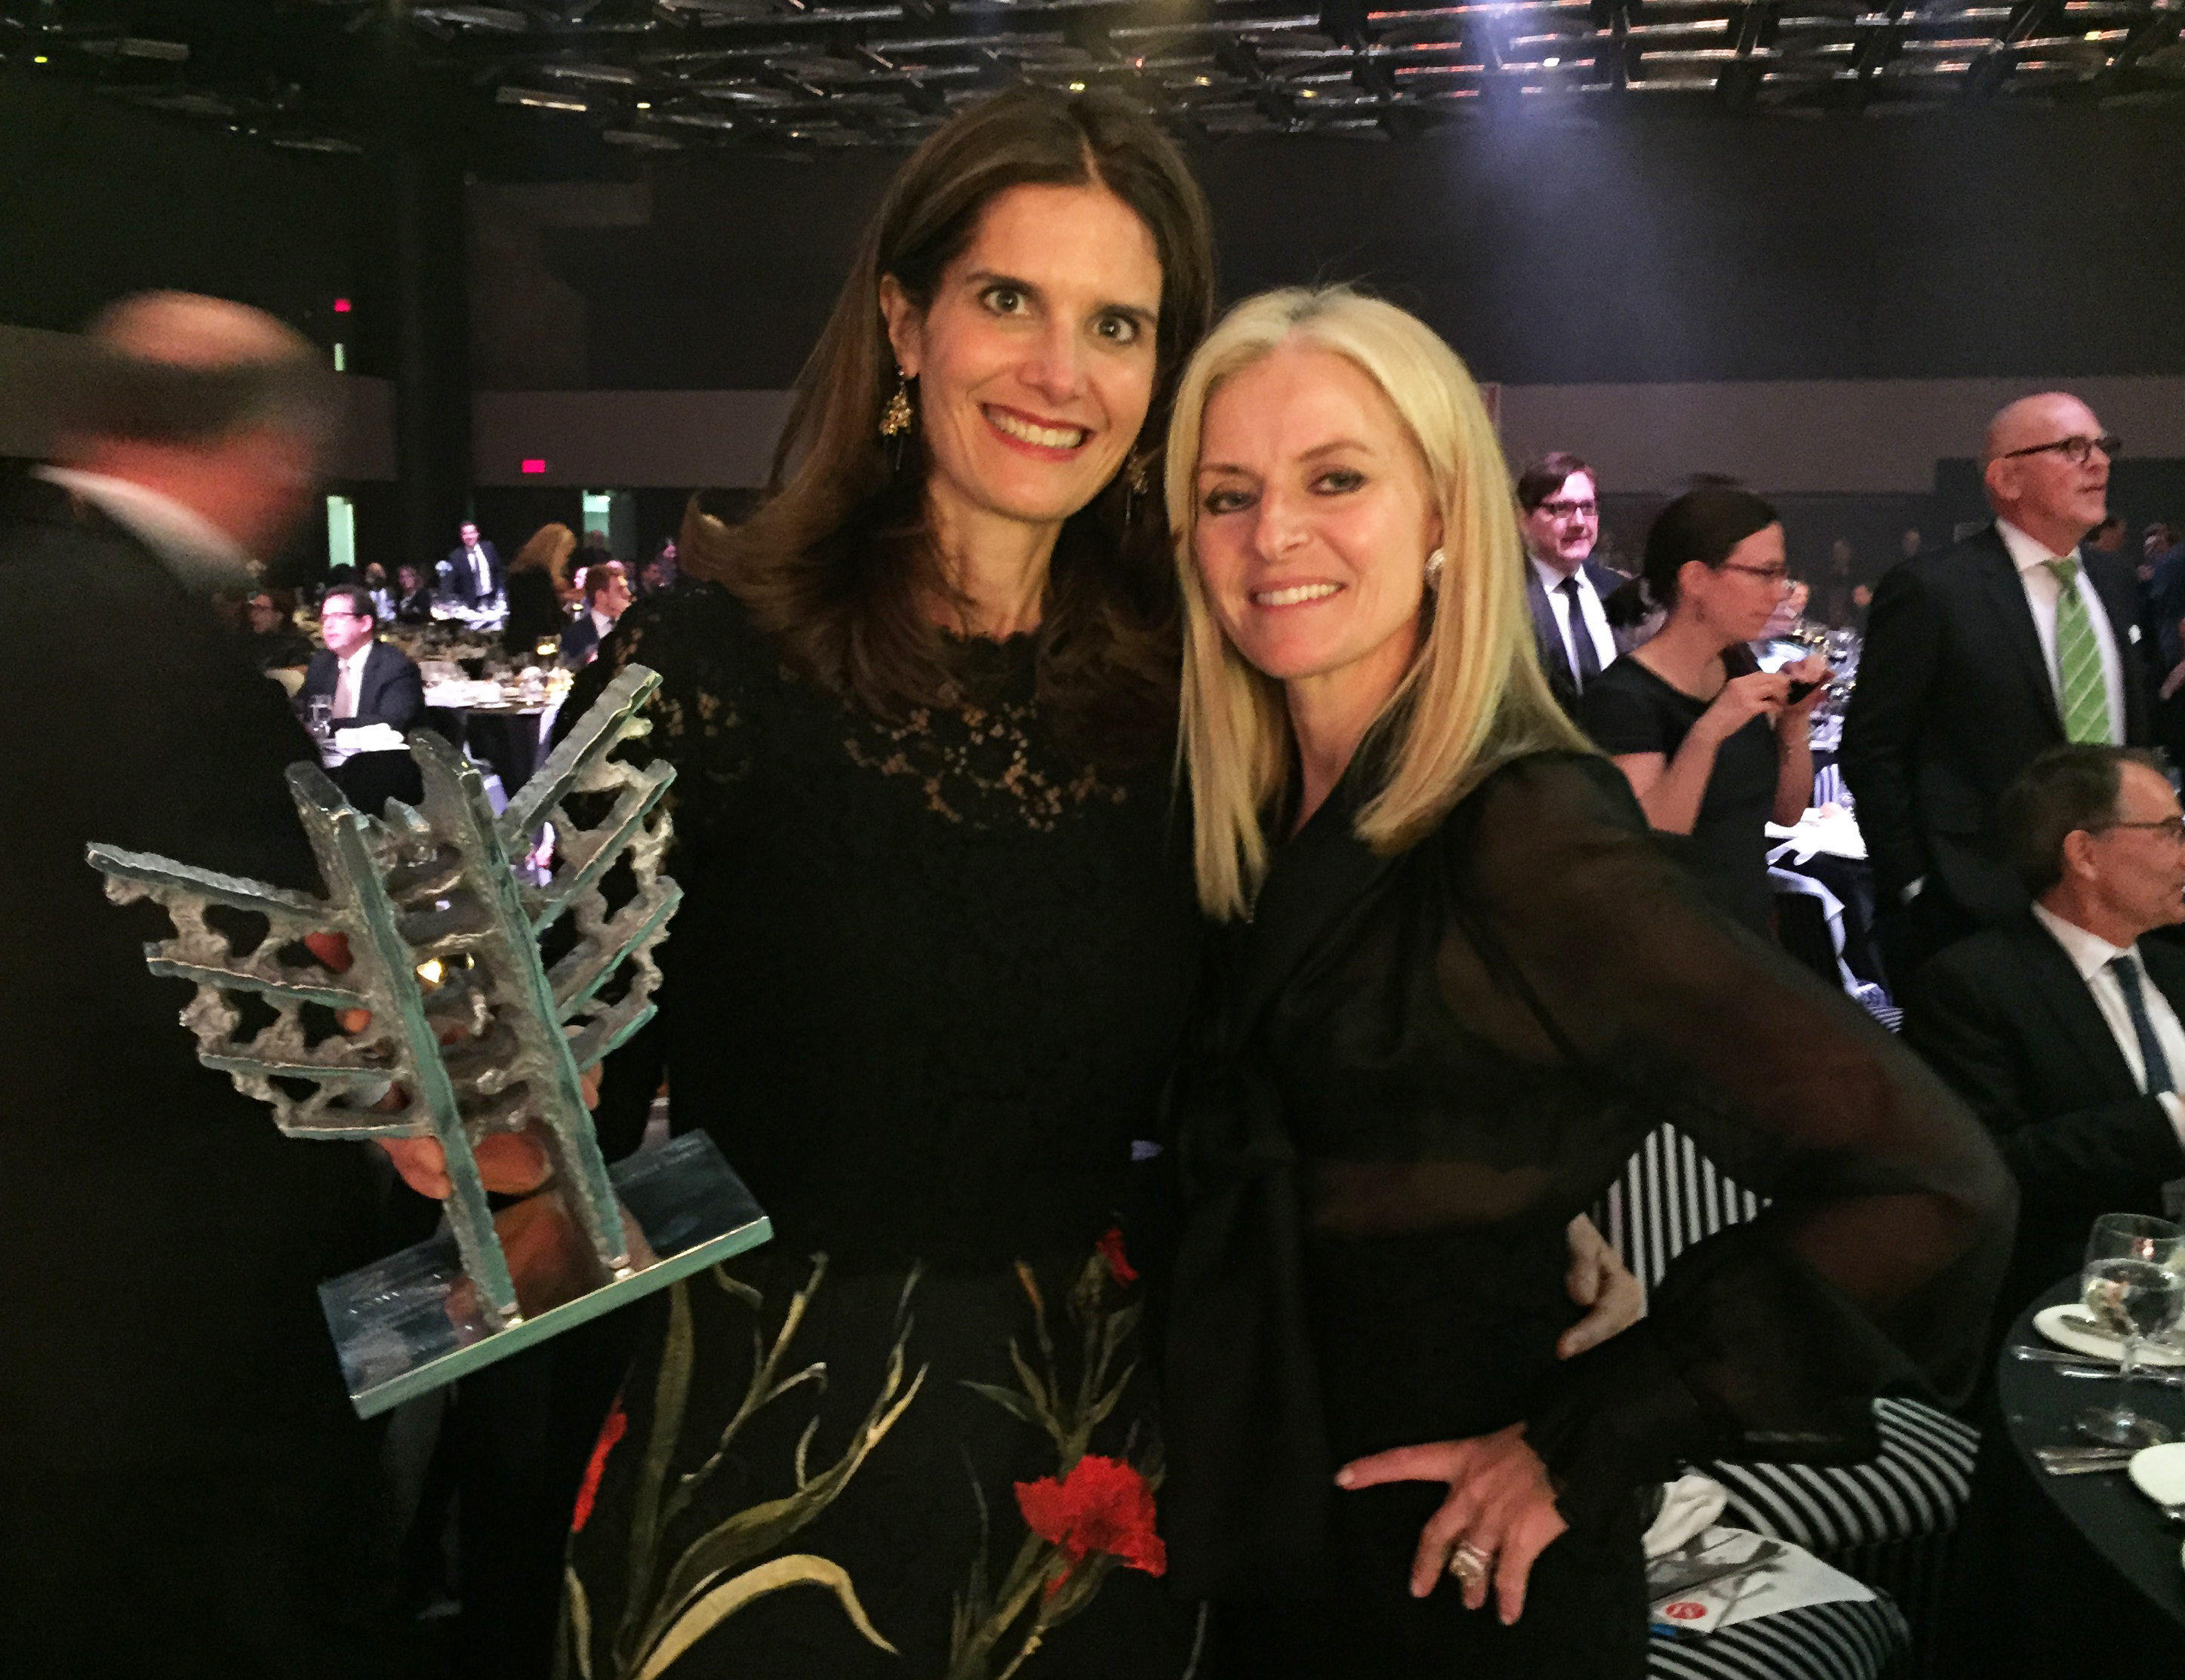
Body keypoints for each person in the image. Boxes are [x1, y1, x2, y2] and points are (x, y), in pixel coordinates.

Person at [383, 89, 1636, 1680]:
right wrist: (449, 1128)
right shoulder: (701, 668)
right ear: (905, 323)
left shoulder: (1198, 684)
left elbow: (1295, 1037)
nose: (1060, 372)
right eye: (1007, 300)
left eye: (1116, 324)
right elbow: (563, 1137)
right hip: (762, 1453)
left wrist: (1501, 1213)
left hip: (1088, 1461)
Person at [1156, 286, 2012, 1680]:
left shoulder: (1521, 823)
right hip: (1262, 1513)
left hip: (1454, 1557)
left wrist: (1600, 1427)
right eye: (1226, 494)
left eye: (1336, 479)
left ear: (1446, 516)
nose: (1273, 534)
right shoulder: (1241, 810)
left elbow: (1932, 1181)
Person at [0, 292, 402, 1676]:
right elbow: (251, 991)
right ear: (270, 451)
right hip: (164, 1331)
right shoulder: (156, 656)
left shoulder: (32, 595)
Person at [1842, 392, 2150, 986]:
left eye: (2102, 446)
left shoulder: (2114, 582)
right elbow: (1872, 748)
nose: (2099, 462)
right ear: (2006, 478)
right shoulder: (1933, 589)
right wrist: (1912, 882)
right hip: (1979, 902)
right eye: (2072, 448)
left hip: (2113, 890)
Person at [1902, 745, 2185, 1338]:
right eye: (2169, 831)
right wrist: (2171, 1120)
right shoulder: (1972, 986)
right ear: (2083, 853)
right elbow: (1992, 1171)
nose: (2182, 850)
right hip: (2069, 1307)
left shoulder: (2171, 970)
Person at [1580, 489, 1829, 938]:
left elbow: (1786, 812)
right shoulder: (1623, 697)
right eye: (1763, 573)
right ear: (1695, 578)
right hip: (1674, 944)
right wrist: (1708, 731)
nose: (1780, 592)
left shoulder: (1737, 666)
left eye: (1781, 575)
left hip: (1747, 933)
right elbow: (1653, 846)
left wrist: (1795, 719)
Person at [1514, 451, 1621, 718]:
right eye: (1561, 508)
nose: (1579, 523)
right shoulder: (1503, 600)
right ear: (1523, 518)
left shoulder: (1617, 590)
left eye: (1588, 507)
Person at [300, 583, 424, 734]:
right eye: (325, 618)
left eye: (339, 616)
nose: (328, 625)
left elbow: (391, 722)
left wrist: (325, 726)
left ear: (365, 623)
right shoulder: (322, 663)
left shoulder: (396, 667)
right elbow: (301, 708)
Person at [501, 521, 574, 657]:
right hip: (533, 649)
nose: (565, 560)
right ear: (554, 551)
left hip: (516, 643)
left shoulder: (520, 573)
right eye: (565, 554)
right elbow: (545, 619)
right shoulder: (539, 577)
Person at [559, 558, 631, 666]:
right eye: (620, 589)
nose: (628, 594)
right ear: (601, 596)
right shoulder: (573, 635)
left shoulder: (631, 628)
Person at [245, 586, 312, 672]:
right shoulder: (248, 641)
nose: (253, 614)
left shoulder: (298, 646)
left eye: (261, 609)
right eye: (252, 608)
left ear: (279, 615)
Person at [442, 518, 503, 606]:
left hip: (492, 598)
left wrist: (500, 590)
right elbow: (453, 583)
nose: (469, 537)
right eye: (465, 534)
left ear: (477, 534)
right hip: (470, 603)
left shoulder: (489, 547)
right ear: (461, 536)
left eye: (472, 533)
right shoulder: (456, 556)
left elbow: (499, 571)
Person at [390, 560, 435, 625]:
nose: (405, 580)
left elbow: (424, 614)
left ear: (414, 578)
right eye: (402, 577)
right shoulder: (399, 597)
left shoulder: (423, 595)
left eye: (408, 576)